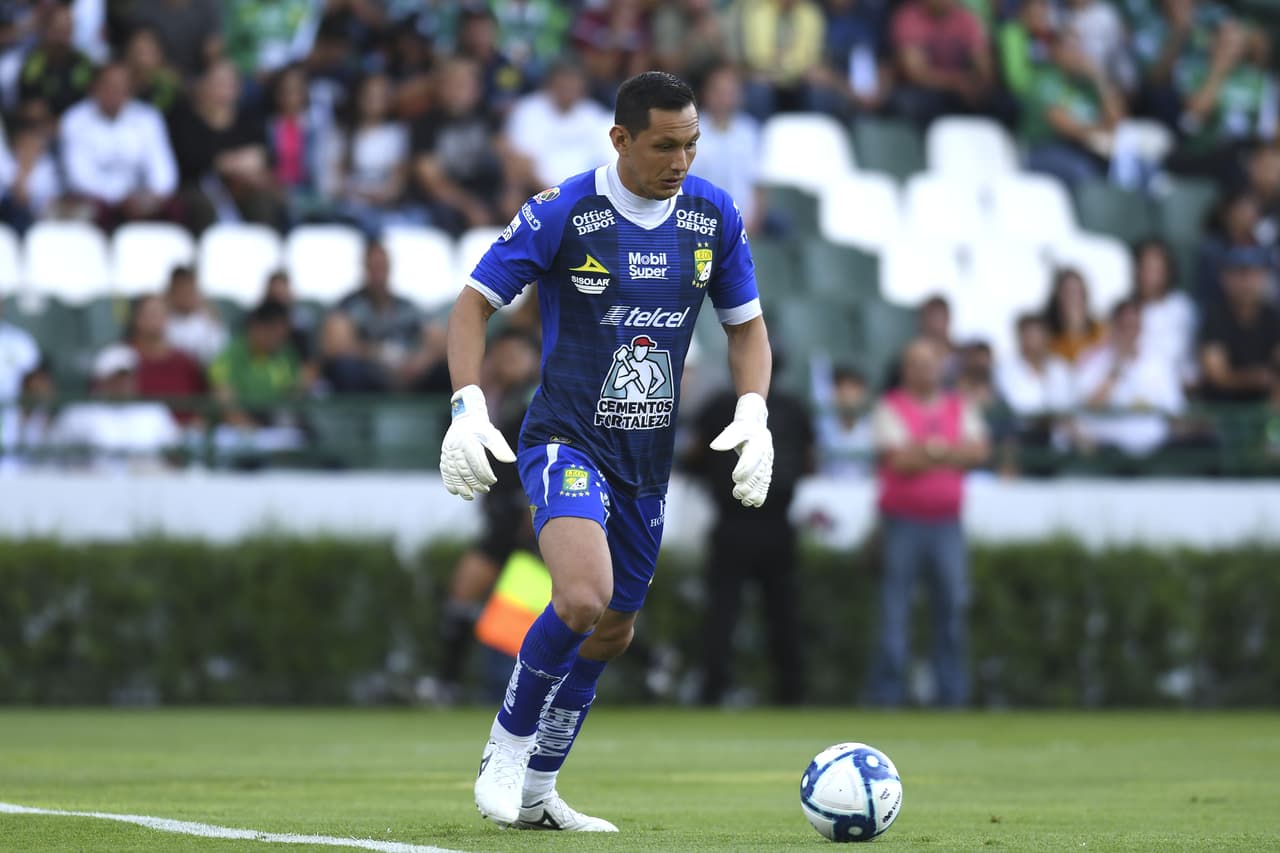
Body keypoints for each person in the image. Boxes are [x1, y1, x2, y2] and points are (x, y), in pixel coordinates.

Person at [441, 71, 773, 831]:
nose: (681, 160)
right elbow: (472, 303)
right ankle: (506, 747)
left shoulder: (712, 216)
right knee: (582, 597)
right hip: (566, 437)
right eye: (664, 145)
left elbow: (747, 326)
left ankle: (538, 792)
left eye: (691, 144)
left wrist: (754, 409)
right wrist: (466, 403)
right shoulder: (565, 211)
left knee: (615, 628)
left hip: (645, 459)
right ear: (620, 139)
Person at [865, 338, 989, 707]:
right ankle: (888, 696)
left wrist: (927, 450)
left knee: (951, 610)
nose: (923, 370)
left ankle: (951, 696)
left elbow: (979, 451)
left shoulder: (957, 405)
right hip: (902, 523)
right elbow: (898, 460)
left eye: (929, 362)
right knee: (894, 614)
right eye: (915, 363)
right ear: (905, 369)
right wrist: (946, 451)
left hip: (947, 523)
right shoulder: (890, 406)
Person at [686, 359, 814, 706]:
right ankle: (792, 692)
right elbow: (809, 461)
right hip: (776, 523)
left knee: (723, 611)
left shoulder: (717, 406)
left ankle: (713, 691)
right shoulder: (793, 407)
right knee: (782, 611)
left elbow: (694, 455)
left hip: (732, 522)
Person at [58, 62, 178, 230]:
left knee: (175, 209)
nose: (115, 92)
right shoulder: (75, 120)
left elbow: (163, 170)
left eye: (121, 86)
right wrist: (120, 197)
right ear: (94, 87)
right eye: (109, 85)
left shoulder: (148, 118)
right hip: (98, 199)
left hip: (142, 200)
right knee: (88, 211)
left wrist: (149, 197)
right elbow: (79, 177)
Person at [1073, 299, 1185, 457]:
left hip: (1155, 453)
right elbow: (1087, 408)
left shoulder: (1159, 363)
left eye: (1134, 326)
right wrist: (1116, 368)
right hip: (1106, 453)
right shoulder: (1091, 359)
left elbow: (1175, 412)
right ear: (1113, 326)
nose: (1130, 333)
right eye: (1124, 326)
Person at [1198, 245, 1280, 404]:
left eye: (1253, 273)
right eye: (1239, 273)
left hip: (1263, 407)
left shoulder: (1272, 316)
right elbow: (1217, 375)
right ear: (1224, 278)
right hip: (1222, 408)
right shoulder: (1215, 315)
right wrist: (1257, 378)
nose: (1246, 282)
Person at [164, 265, 228, 365]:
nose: (185, 295)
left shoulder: (209, 321)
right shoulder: (161, 320)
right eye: (180, 289)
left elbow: (218, 353)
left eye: (188, 290)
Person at [1044, 267, 1104, 364]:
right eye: (1067, 292)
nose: (1073, 298)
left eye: (1077, 292)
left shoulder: (1101, 332)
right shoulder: (1047, 339)